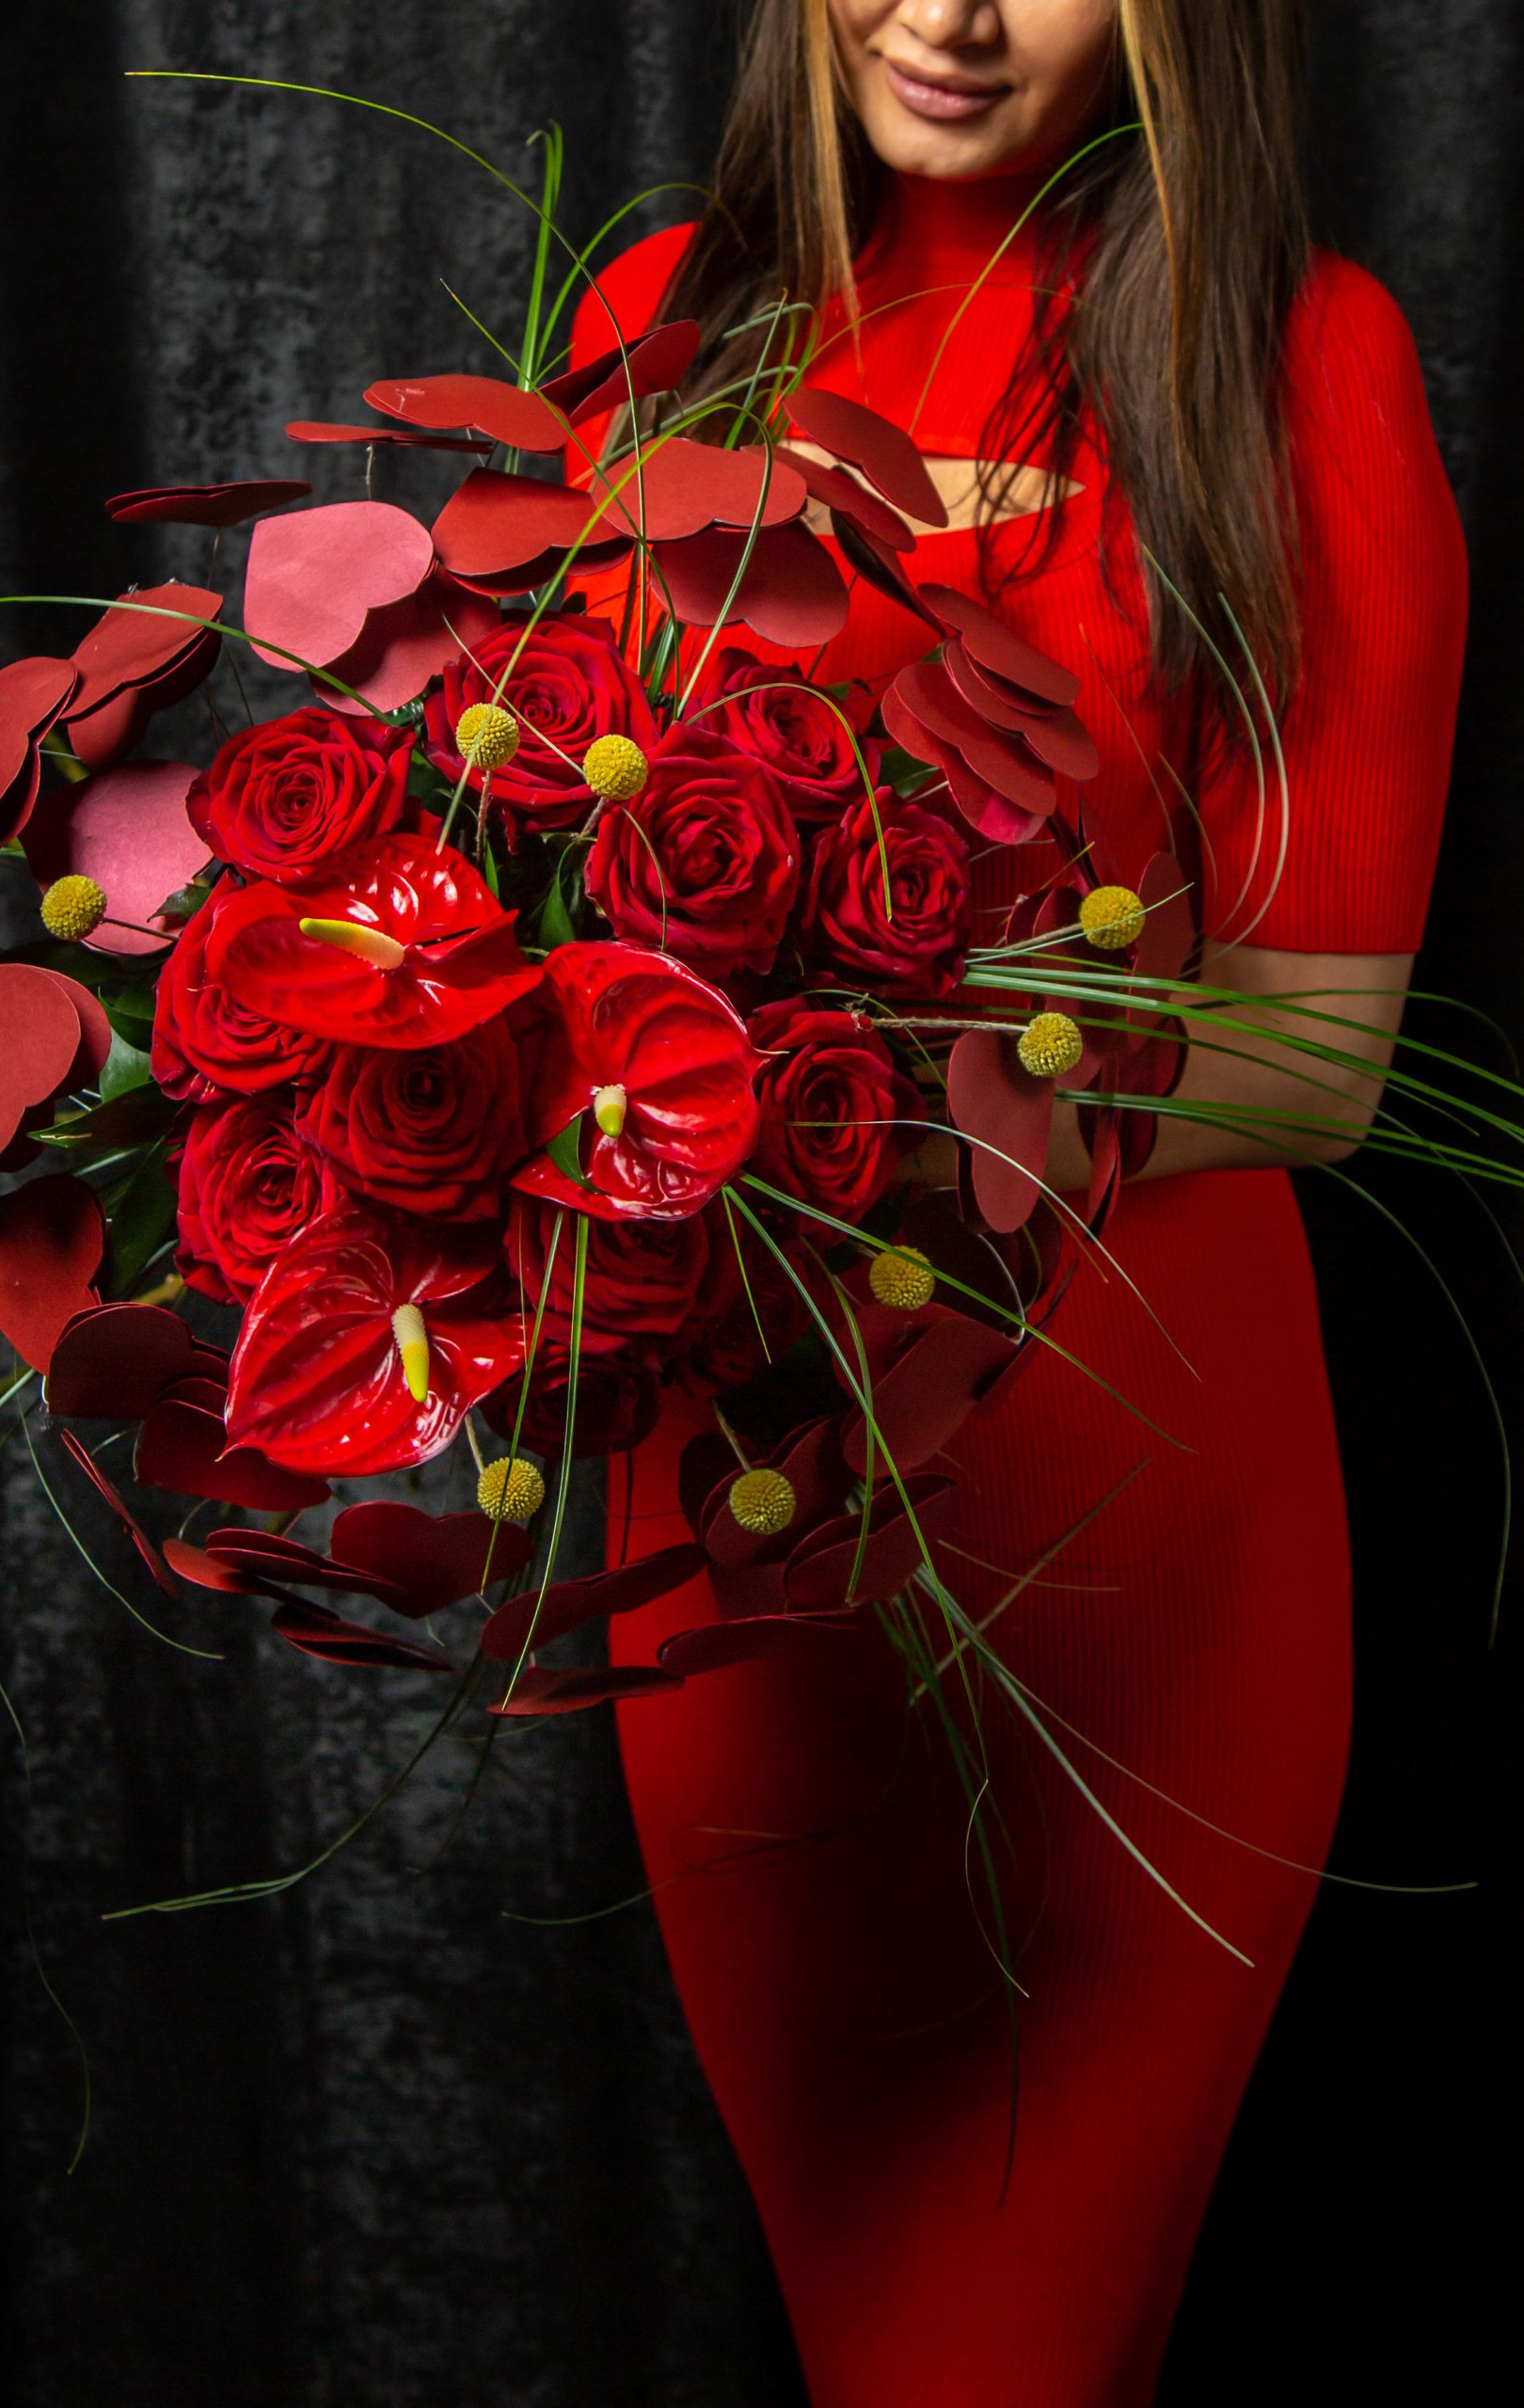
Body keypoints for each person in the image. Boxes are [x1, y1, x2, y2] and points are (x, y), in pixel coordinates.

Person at [574, 4, 1468, 2400]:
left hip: (1135, 1574)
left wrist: (832, 1108)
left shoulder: (1295, 353)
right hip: (743, 1557)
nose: (949, 12)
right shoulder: (659, 320)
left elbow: (1314, 1059)